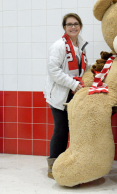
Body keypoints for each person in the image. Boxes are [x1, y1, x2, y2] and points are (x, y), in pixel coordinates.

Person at [43, 13, 91, 179]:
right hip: (59, 95)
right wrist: (74, 84)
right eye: (69, 24)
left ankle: (66, 164)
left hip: (73, 94)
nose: (73, 27)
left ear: (80, 26)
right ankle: (53, 167)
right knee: (61, 129)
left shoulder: (81, 46)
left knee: (73, 130)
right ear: (64, 27)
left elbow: (81, 69)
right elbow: (54, 71)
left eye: (76, 24)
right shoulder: (59, 46)